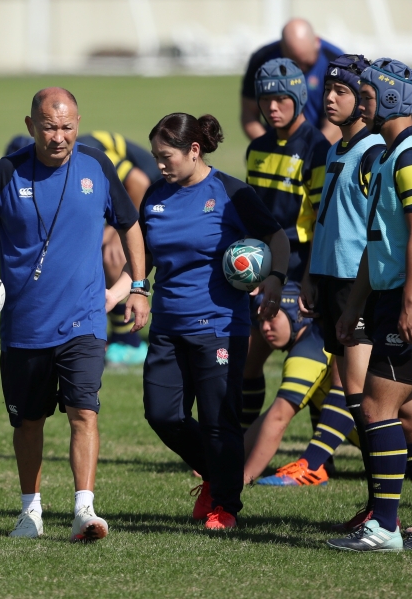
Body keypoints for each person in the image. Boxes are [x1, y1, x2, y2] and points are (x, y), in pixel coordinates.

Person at [0, 88, 148, 541]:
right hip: (24, 326)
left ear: (79, 123)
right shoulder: (7, 171)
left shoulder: (96, 165)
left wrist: (137, 285)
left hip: (84, 320)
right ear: (31, 124)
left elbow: (130, 222)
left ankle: (84, 510)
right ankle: (30, 512)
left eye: (68, 126)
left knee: (84, 413)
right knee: (28, 421)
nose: (59, 137)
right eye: (50, 127)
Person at [121, 112, 289, 530]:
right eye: (157, 157)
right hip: (167, 325)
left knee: (219, 421)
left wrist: (274, 279)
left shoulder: (231, 193)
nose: (159, 165)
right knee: (162, 415)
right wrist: (136, 288)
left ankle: (226, 505)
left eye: (167, 156)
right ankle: (217, 474)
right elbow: (146, 252)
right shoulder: (156, 195)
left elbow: (277, 238)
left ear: (194, 150)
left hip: (219, 324)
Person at [327, 58, 412, 553]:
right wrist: (353, 306)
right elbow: (376, 243)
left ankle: (382, 527)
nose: (361, 102)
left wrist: (409, 302)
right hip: (400, 297)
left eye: (368, 93)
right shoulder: (386, 156)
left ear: (394, 98)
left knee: (376, 406)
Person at [298, 54, 385, 528]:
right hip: (330, 280)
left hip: (358, 283)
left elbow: (377, 227)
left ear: (364, 100)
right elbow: (326, 219)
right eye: (327, 90)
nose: (329, 98)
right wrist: (313, 274)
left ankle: (380, 504)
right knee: (351, 391)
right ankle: (379, 501)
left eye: (342, 92)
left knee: (361, 393)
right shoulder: (335, 148)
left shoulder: (373, 151)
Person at [7, 131, 155, 365]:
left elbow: (139, 183)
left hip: (156, 197)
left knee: (112, 252)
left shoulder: (85, 155)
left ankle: (128, 341)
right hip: (135, 201)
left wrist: (119, 231)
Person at [241, 58, 331, 431]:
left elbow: (323, 225)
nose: (272, 108)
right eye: (265, 100)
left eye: (281, 99)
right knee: (246, 362)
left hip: (299, 269)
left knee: (297, 355)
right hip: (264, 269)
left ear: (298, 96)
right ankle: (235, 445)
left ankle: (317, 455)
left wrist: (310, 280)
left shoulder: (317, 149)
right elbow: (252, 217)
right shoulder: (257, 147)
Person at [242, 286, 356, 488]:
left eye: (272, 317)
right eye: (261, 321)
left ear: (297, 315)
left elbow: (278, 419)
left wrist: (242, 478)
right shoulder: (316, 338)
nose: (265, 328)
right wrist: (226, 462)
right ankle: (320, 462)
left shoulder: (309, 350)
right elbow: (271, 417)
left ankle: (312, 465)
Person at [241, 18, 343, 143]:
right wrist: (266, 146)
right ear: (282, 47)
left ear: (317, 42)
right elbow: (249, 114)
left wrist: (312, 151)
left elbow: (338, 119)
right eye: (294, 63)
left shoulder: (336, 62)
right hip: (276, 146)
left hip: (323, 147)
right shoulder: (262, 60)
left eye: (306, 63)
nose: (300, 69)